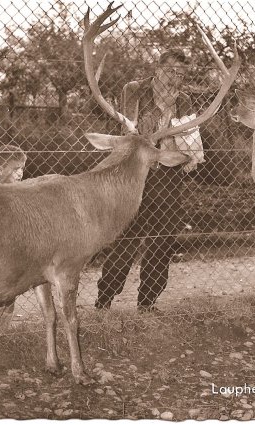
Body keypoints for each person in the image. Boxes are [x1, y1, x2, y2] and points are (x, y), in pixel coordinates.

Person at [94, 49, 199, 313]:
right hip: (135, 175)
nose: (175, 79)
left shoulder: (185, 101)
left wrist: (171, 144)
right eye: (170, 71)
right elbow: (131, 133)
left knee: (163, 241)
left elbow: (189, 149)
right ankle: (104, 299)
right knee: (126, 239)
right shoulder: (135, 91)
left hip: (168, 178)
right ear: (157, 68)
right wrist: (163, 114)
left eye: (181, 74)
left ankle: (147, 303)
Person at [0, 144, 26, 333]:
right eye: (15, 169)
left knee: (9, 293)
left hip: (14, 253)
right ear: (0, 169)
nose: (20, 174)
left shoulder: (20, 193)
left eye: (22, 169)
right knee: (3, 293)